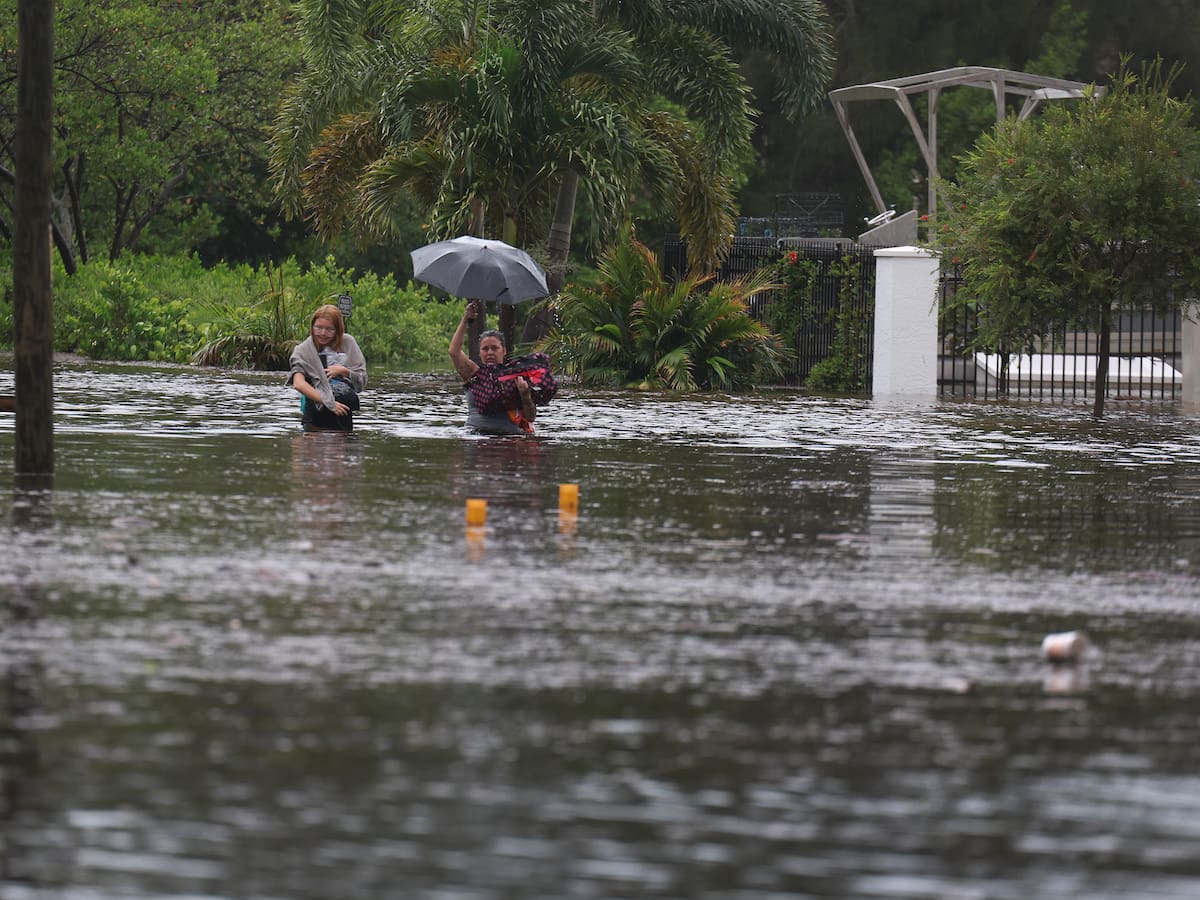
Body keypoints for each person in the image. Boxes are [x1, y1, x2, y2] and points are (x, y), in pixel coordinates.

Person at [449, 300, 537, 434]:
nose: (490, 352)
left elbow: (530, 417)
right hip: (475, 435)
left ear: (504, 351)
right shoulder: (473, 374)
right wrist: (465, 320)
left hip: (508, 439)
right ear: (479, 353)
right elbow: (454, 352)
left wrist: (524, 394)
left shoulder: (518, 379)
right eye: (485, 349)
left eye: (495, 348)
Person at [288, 304, 367, 432]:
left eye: (329, 329)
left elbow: (362, 381)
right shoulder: (303, 350)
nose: (323, 333)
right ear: (312, 327)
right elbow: (298, 384)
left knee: (342, 447)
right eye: (318, 328)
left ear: (338, 329)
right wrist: (329, 403)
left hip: (342, 410)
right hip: (315, 408)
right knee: (312, 445)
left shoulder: (348, 343)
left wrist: (344, 371)